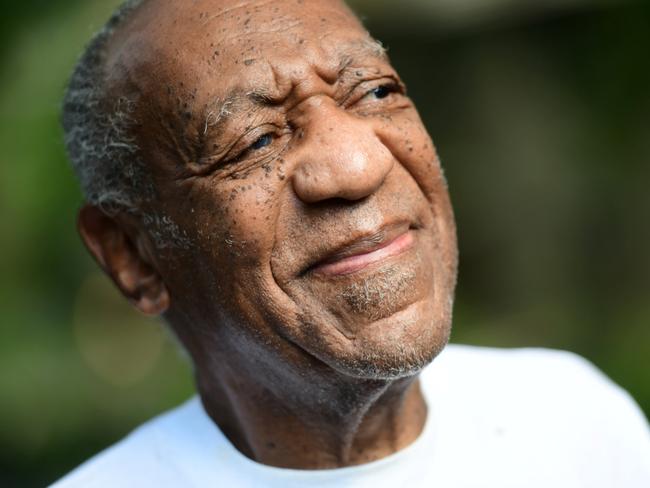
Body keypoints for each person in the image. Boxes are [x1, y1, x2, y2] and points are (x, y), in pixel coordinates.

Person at [52, 0, 650, 486]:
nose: (357, 162)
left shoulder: (576, 419)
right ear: (133, 256)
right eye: (256, 141)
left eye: (376, 93)